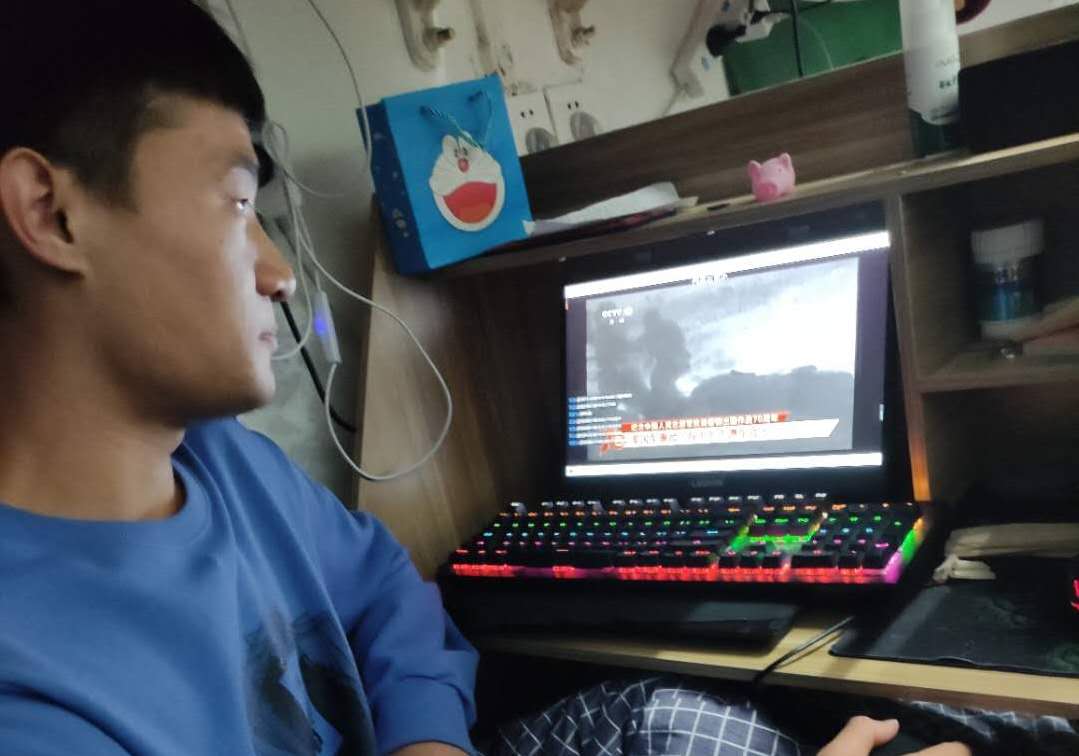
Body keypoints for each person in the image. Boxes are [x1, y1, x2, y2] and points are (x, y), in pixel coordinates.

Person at [0, 2, 1029, 755]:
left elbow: (388, 596)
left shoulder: (229, 467)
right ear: (51, 213)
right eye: (237, 205)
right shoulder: (31, 694)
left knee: (692, 718)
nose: (279, 273)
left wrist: (425, 740)